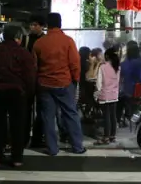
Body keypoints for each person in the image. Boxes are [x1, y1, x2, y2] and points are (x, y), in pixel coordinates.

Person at [0, 25, 36, 168]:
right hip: (17, 92)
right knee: (18, 126)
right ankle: (17, 158)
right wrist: (29, 92)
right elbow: (30, 76)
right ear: (18, 37)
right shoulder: (23, 53)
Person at [33, 12, 86, 156]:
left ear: (47, 25)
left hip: (44, 84)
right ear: (60, 23)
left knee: (47, 117)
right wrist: (75, 80)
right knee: (70, 114)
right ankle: (77, 146)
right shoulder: (68, 41)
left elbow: (35, 66)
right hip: (64, 83)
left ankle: (52, 148)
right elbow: (75, 63)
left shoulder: (39, 43)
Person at [24, 15, 46, 148]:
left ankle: (37, 137)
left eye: (35, 25)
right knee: (26, 109)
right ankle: (25, 137)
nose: (32, 27)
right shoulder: (26, 39)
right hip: (28, 78)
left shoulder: (44, 40)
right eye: (31, 25)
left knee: (41, 109)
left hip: (40, 77)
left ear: (42, 26)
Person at [95, 47, 121, 145]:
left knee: (106, 116)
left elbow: (99, 83)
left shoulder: (103, 67)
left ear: (107, 56)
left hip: (105, 94)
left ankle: (106, 137)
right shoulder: (118, 67)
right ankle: (112, 136)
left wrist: (97, 94)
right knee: (113, 116)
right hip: (114, 94)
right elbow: (117, 81)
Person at [119, 41, 141, 122]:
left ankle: (128, 117)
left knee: (125, 100)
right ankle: (136, 118)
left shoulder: (124, 64)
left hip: (128, 90)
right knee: (137, 105)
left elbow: (121, 76)